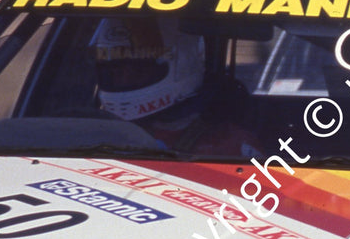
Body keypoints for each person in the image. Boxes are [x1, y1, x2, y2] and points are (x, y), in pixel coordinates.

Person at [90, 17, 260, 157]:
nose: (124, 79)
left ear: (183, 66)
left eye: (138, 70)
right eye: (114, 72)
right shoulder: (85, 135)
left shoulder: (228, 144)